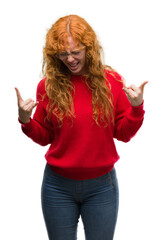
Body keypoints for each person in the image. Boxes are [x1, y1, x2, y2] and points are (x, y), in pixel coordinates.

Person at [15, 14, 148, 240]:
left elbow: (123, 134)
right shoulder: (47, 85)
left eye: (76, 52)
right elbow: (45, 136)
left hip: (102, 187)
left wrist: (136, 109)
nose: (70, 59)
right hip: (57, 187)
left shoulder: (112, 81)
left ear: (89, 48)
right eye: (63, 53)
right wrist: (26, 121)